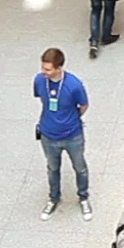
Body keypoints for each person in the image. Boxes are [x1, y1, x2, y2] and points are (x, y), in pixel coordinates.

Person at [35, 47, 93, 221]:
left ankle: (83, 197)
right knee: (52, 168)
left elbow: (84, 105)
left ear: (59, 68)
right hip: (48, 135)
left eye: (48, 69)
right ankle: (54, 198)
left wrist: (70, 119)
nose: (43, 72)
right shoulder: (39, 81)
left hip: (73, 136)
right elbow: (42, 99)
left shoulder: (74, 85)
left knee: (80, 167)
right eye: (43, 68)